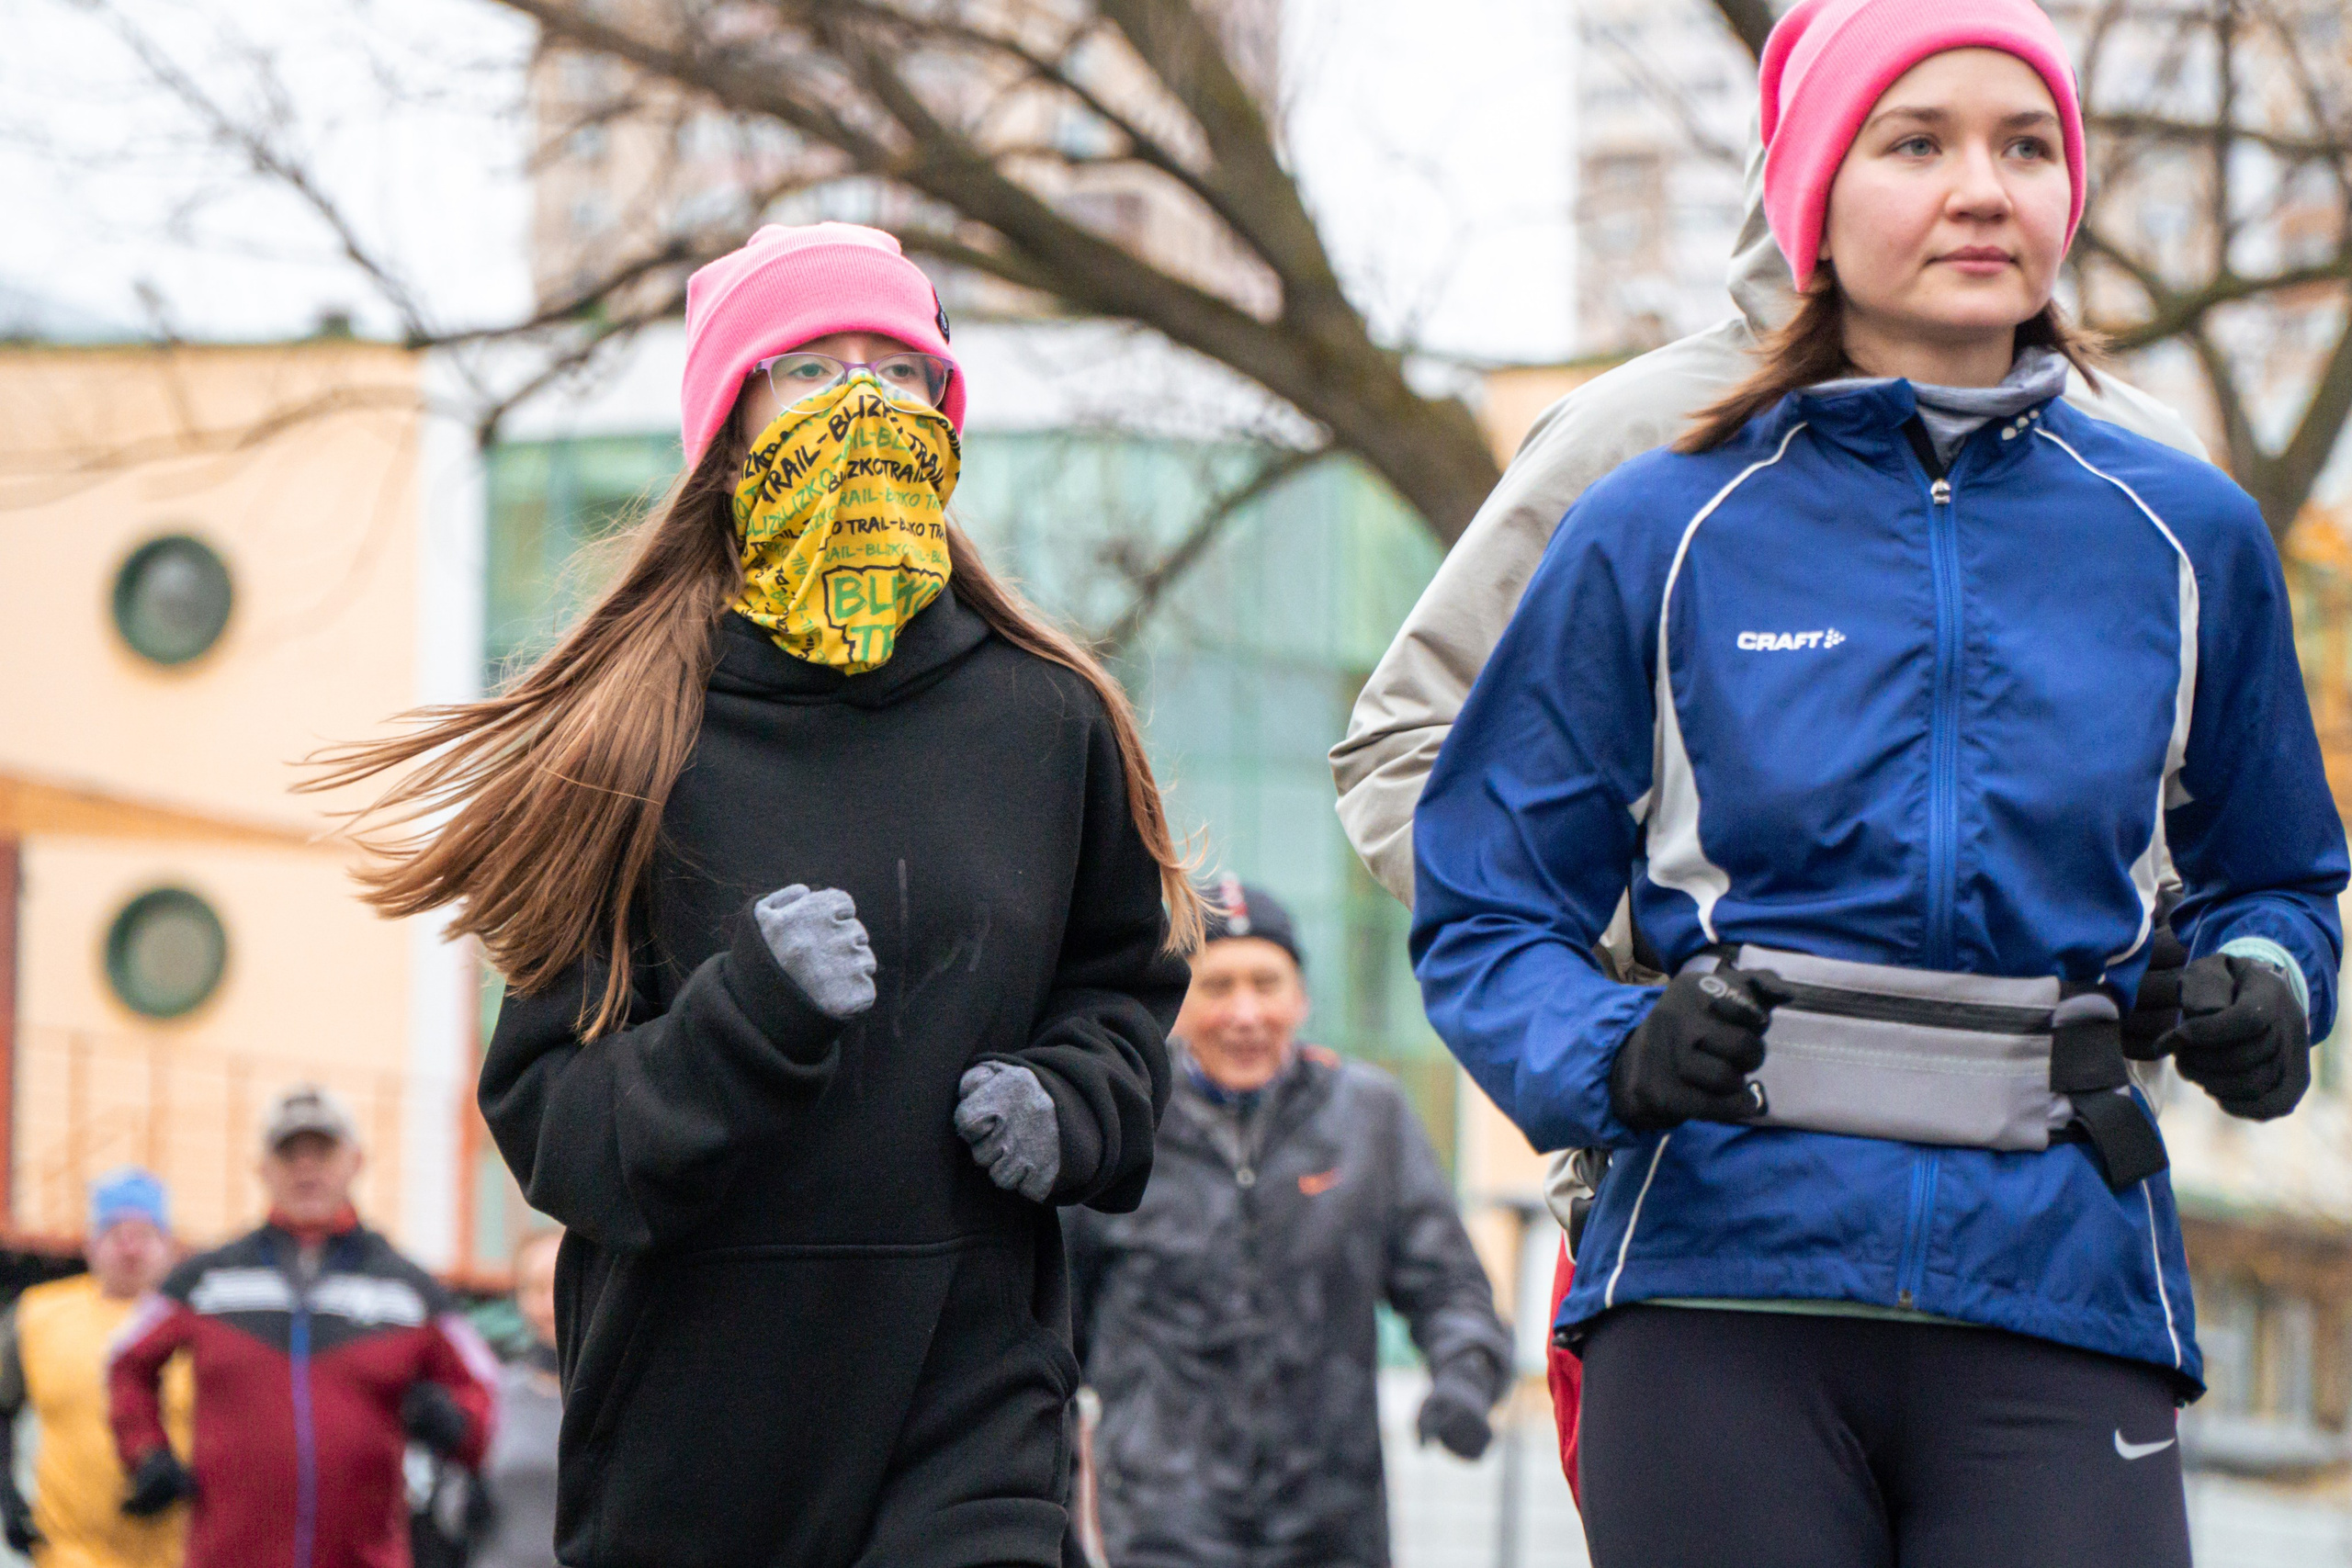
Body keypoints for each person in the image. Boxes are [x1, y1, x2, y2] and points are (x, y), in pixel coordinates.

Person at [1410, 0, 2348, 1562]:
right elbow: (1487, 901)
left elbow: (2282, 876)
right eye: (1918, 144)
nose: (1982, 188)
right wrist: (1612, 1047)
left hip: (2063, 1288)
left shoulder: (2188, 532)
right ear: (1813, 203)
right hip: (1720, 1291)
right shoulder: (1659, 523)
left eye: (2026, 146)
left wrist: (2269, 983)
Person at [309, 220, 1198, 1568]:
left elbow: (1121, 996)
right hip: (694, 1441)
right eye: (811, 369)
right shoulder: (624, 736)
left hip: (969, 1409)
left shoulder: (1049, 716)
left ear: (947, 415)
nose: (862, 404)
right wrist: (745, 1024)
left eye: (899, 371)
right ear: (730, 425)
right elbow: (557, 1129)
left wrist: (1073, 1102)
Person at [1067, 879, 1511, 1568]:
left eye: (1266, 983)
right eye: (1218, 986)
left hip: (1333, 1521)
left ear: (1300, 996)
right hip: (1163, 1522)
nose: (1245, 1013)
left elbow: (1448, 1281)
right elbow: (1053, 1333)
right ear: (1175, 1004)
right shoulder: (1122, 1129)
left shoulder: (1369, 1116)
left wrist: (1466, 1372)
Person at [107, 1084, 498, 1568]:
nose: (306, 1167)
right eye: (289, 1152)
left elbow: (483, 1387)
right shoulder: (207, 1280)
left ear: (356, 1161)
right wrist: (146, 1452)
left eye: (322, 1150)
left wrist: (457, 1426)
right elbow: (124, 1361)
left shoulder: (410, 1290)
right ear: (262, 1168)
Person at [0, 1170, 188, 1568]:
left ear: (170, 1246)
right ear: (90, 1243)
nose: (130, 1249)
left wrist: (181, 1477)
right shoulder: (39, 1314)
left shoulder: (200, 1325)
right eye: (116, 1234)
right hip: (69, 1553)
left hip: (175, 1552)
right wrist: (7, 1495)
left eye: (144, 1235)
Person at [469, 1231, 562, 1568]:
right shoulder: (491, 1393)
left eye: (560, 1287)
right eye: (536, 1289)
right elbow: (450, 1512)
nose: (550, 1305)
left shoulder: (617, 1403)